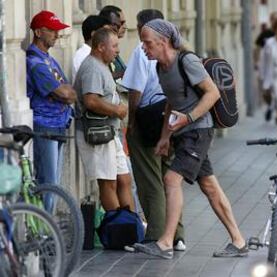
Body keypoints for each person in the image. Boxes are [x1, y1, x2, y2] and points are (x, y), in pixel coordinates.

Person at [131, 19, 247, 259]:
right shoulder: (160, 68)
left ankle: (165, 242)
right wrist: (165, 137)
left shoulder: (188, 61)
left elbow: (212, 93)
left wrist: (188, 118)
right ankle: (238, 241)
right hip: (184, 134)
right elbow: (171, 102)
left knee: (171, 179)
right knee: (209, 186)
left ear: (163, 42)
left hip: (198, 131)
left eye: (147, 42)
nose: (143, 47)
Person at [121, 9, 186, 251]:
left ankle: (157, 234)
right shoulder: (176, 51)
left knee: (150, 180)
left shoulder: (141, 51)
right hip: (173, 119)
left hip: (149, 118)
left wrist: (132, 122)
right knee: (170, 179)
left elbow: (135, 91)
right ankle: (177, 235)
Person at [74, 27, 135, 212]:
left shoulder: (102, 65)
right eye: (114, 46)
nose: (117, 50)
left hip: (110, 132)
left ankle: (132, 227)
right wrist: (117, 110)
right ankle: (119, 231)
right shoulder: (92, 67)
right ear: (101, 46)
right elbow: (91, 100)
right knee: (108, 184)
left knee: (124, 179)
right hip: (98, 133)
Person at [26, 11, 76, 189]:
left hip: (58, 124)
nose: (57, 34)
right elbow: (65, 94)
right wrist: (66, 93)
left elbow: (70, 91)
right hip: (45, 125)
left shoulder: (48, 59)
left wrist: (67, 93)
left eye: (58, 30)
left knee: (54, 182)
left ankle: (47, 217)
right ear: (38, 32)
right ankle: (44, 218)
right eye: (52, 30)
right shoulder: (35, 62)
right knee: (49, 183)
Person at [254, 11, 277, 122]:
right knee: (266, 93)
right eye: (274, 19)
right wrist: (256, 61)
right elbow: (257, 48)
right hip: (266, 69)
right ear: (271, 21)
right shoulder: (265, 34)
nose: (275, 22)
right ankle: (271, 105)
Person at [72, 15, 111, 81]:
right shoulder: (83, 56)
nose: (109, 37)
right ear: (94, 34)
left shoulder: (94, 53)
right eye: (105, 33)